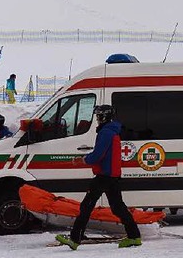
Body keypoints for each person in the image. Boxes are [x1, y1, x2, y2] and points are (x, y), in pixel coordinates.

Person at [55, 105, 141, 250]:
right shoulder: (111, 130)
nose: (97, 119)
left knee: (86, 206)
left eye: (98, 116)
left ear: (104, 117)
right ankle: (134, 236)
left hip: (104, 176)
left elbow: (98, 155)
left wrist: (83, 160)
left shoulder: (106, 132)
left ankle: (75, 239)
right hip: (111, 175)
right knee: (118, 208)